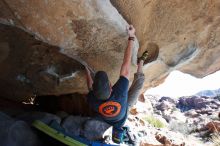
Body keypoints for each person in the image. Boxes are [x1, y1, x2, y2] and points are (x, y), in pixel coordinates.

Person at [85, 25, 159, 144]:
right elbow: (89, 87)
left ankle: (141, 62)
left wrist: (131, 37)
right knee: (138, 84)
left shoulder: (100, 100)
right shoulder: (94, 102)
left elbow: (90, 87)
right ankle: (141, 61)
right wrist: (87, 72)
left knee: (139, 84)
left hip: (123, 107)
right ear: (110, 87)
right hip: (125, 105)